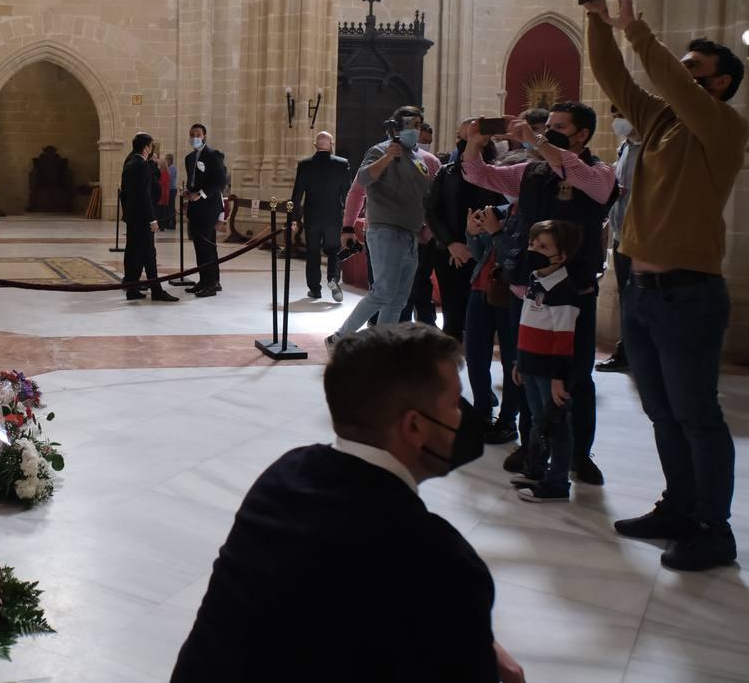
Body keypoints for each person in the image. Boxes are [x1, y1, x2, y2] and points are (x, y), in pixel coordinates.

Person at [172, 323, 524, 683]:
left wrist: (467, 632)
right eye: (454, 404)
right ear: (414, 428)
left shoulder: (283, 478)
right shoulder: (439, 560)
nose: (463, 417)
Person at [579, 0, 747, 572]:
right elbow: (617, 81)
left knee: (698, 415)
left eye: (694, 67)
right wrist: (598, 20)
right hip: (643, 293)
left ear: (719, 82)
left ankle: (712, 526)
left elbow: (664, 77)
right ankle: (679, 506)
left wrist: (637, 30)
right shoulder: (663, 124)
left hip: (688, 295)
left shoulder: (724, 128)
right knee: (663, 412)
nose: (680, 72)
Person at [461, 103, 615, 487]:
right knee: (525, 369)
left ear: (581, 135)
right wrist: (473, 145)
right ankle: (534, 447)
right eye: (547, 126)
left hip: (572, 290)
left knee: (576, 374)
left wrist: (538, 142)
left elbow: (594, 187)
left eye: (559, 127)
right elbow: (481, 175)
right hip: (525, 287)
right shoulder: (531, 171)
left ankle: (579, 452)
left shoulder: (597, 172)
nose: (548, 131)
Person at [326, 106, 441, 351]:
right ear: (397, 127)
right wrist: (388, 156)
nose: (416, 130)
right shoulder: (379, 150)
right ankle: (339, 338)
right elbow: (363, 181)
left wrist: (426, 229)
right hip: (384, 229)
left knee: (399, 298)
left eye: (419, 125)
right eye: (412, 124)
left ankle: (382, 346)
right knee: (383, 291)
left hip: (411, 234)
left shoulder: (420, 160)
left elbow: (424, 199)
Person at [510, 220, 585, 503]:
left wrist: (558, 377)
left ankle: (556, 483)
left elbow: (563, 339)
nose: (534, 250)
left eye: (544, 247)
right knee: (537, 422)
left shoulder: (563, 290)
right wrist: (520, 361)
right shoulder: (536, 280)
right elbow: (528, 324)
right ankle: (537, 470)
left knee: (556, 426)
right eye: (533, 244)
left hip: (550, 372)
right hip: (531, 366)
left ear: (561, 256)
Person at [426, 118, 502, 340]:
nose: (464, 143)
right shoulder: (446, 172)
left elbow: (501, 209)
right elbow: (432, 211)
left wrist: (476, 245)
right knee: (452, 317)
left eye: (470, 137)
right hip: (450, 251)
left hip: (486, 252)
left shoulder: (497, 172)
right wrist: (451, 244)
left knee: (481, 318)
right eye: (461, 137)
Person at [464, 202, 518, 435]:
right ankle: (481, 411)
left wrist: (496, 231)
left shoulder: (528, 215)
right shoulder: (499, 211)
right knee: (475, 355)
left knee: (511, 358)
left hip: (510, 292)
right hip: (480, 288)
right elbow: (479, 255)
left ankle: (508, 420)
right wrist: (472, 234)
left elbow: (516, 258)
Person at [595, 104, 641, 373]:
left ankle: (640, 354)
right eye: (615, 117)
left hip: (642, 236)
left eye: (622, 116)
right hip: (621, 233)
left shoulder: (652, 148)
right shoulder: (625, 147)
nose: (618, 122)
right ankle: (627, 352)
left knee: (640, 298)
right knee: (627, 297)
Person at [289, 131, 349, 301]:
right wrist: (349, 216)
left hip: (312, 217)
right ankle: (333, 279)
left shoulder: (305, 165)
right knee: (334, 251)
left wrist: (293, 218)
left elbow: (297, 194)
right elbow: (347, 193)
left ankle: (315, 289)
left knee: (313, 253)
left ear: (315, 145)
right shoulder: (342, 164)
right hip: (333, 216)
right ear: (332, 144)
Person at [120, 133, 178, 303]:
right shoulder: (142, 165)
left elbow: (126, 194)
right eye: (151, 146)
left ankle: (131, 288)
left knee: (133, 251)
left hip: (132, 216)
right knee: (148, 254)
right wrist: (152, 219)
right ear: (146, 147)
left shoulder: (130, 162)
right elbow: (144, 195)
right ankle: (156, 290)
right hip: (143, 217)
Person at [182, 123, 228, 297]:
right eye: (192, 134)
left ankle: (212, 283)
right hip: (195, 208)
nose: (195, 137)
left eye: (198, 134)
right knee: (199, 246)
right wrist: (188, 190)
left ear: (204, 136)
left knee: (207, 246)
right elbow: (192, 180)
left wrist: (200, 194)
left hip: (208, 207)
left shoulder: (213, 156)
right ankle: (204, 280)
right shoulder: (189, 158)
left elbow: (220, 182)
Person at [164, 153, 178, 230]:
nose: (166, 161)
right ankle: (167, 223)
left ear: (170, 160)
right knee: (167, 207)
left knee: (171, 207)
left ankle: (172, 224)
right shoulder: (168, 168)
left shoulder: (173, 168)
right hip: (168, 190)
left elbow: (168, 178)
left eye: (166, 159)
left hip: (171, 190)